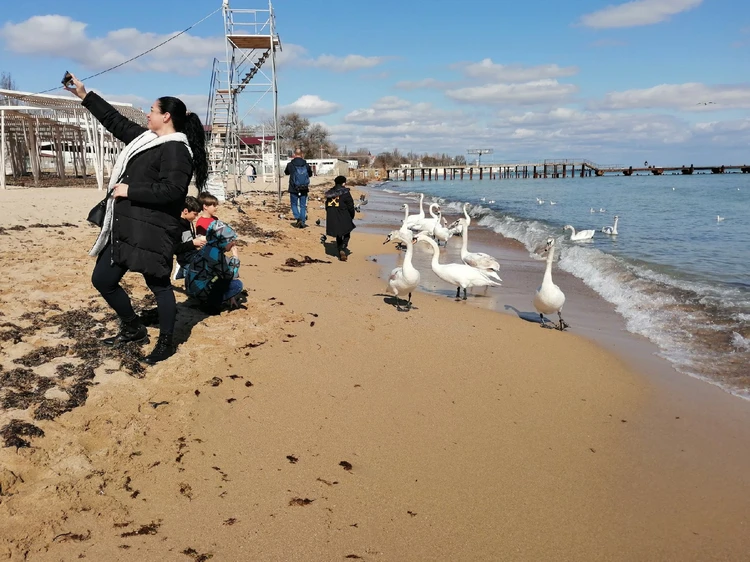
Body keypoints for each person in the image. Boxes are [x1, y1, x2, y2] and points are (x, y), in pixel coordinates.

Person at [65, 73, 208, 365]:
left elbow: (174, 191)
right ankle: (133, 328)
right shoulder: (147, 141)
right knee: (103, 279)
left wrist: (131, 189)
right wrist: (84, 94)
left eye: (152, 110)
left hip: (153, 230)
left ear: (166, 116)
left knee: (159, 287)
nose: (147, 114)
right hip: (126, 226)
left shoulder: (178, 149)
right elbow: (116, 122)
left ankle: (167, 342)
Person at [185, 220, 243, 315]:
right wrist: (235, 257)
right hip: (199, 290)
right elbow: (230, 275)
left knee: (222, 278)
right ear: (223, 241)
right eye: (231, 241)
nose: (233, 243)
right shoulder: (215, 254)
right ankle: (211, 304)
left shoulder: (208, 247)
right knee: (237, 285)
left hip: (192, 287)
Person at [173, 196, 205, 280]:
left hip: (189, 259)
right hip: (185, 261)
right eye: (195, 214)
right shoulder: (177, 226)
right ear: (186, 211)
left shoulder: (187, 223)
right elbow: (175, 248)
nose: (196, 217)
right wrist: (193, 243)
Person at [324, 175, 356, 261]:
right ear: (343, 183)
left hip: (332, 216)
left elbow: (326, 206)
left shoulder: (330, 193)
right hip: (343, 214)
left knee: (338, 234)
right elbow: (350, 205)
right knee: (347, 231)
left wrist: (330, 215)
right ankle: (343, 247)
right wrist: (351, 215)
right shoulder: (345, 192)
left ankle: (340, 248)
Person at [284, 148, 312, 228]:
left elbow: (286, 172)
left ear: (294, 155)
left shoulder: (290, 164)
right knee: (303, 205)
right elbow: (310, 174)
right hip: (304, 188)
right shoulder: (306, 165)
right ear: (302, 154)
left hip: (293, 188)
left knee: (294, 204)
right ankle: (302, 221)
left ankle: (298, 218)